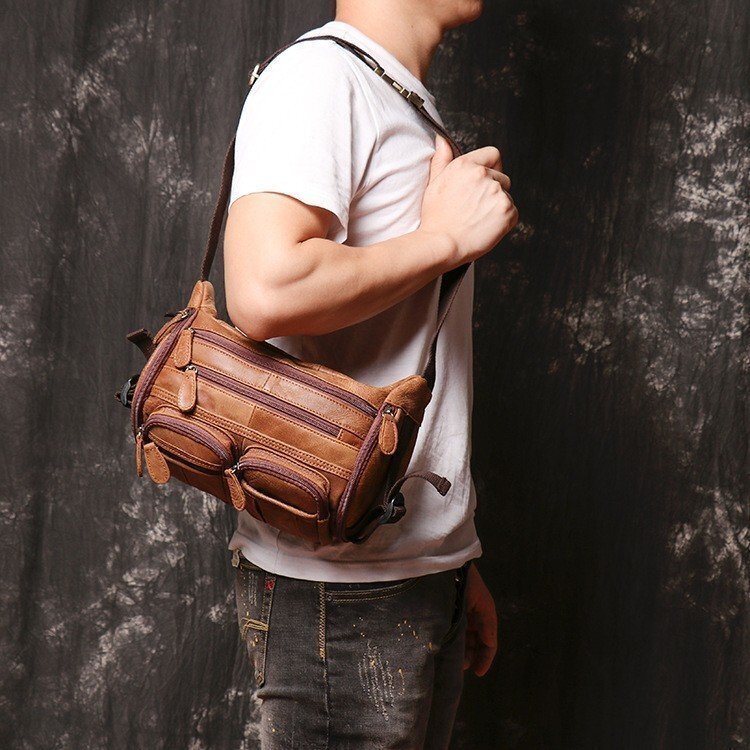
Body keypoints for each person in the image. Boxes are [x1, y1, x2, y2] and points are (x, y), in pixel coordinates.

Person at [223, 1, 517, 747]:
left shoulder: (391, 95)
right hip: (340, 596)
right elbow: (264, 290)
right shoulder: (323, 80)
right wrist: (444, 238)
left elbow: (404, 352)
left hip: (405, 573)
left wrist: (451, 556)